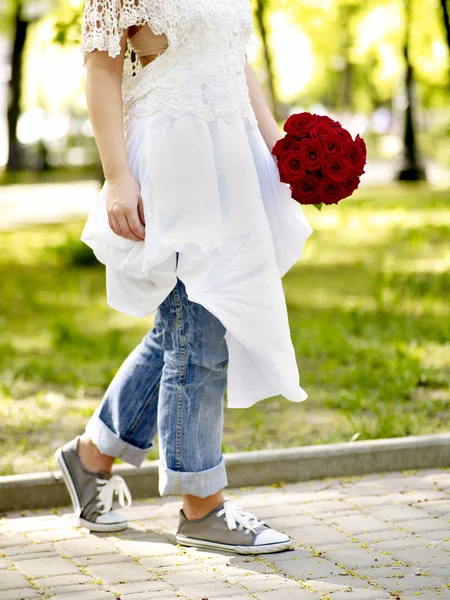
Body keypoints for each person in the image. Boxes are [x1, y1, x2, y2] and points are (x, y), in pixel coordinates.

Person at [56, 0, 313, 555]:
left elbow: (236, 62)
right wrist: (117, 175)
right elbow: (101, 67)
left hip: (232, 155)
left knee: (187, 320)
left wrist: (280, 149)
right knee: (197, 328)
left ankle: (90, 457)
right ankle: (202, 507)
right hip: (172, 159)